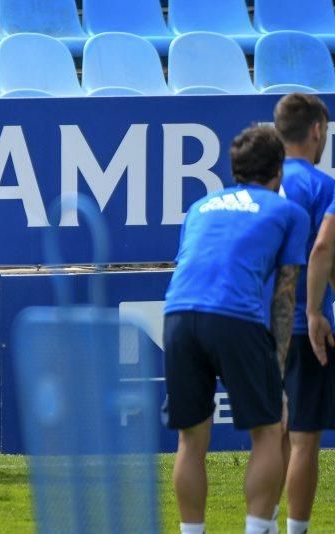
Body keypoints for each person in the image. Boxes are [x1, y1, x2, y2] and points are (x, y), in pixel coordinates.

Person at [162, 125, 309, 534]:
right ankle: (257, 529)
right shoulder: (289, 212)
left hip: (177, 315)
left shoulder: (200, 207)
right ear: (278, 170)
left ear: (235, 168)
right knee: (269, 429)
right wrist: (278, 367)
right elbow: (284, 295)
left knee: (191, 440)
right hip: (235, 317)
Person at [273, 93, 334, 534]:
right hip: (300, 327)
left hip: (257, 324)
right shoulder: (323, 186)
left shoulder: (256, 185)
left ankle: (262, 524)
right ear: (317, 130)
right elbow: (325, 249)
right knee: (304, 438)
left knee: (270, 433)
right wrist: (314, 311)